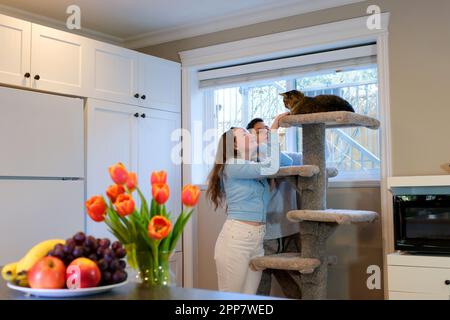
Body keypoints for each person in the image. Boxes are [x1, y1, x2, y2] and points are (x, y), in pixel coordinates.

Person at [206, 119, 291, 294]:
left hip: (257, 241)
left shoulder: (252, 164)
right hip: (237, 240)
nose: (250, 134)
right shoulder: (232, 165)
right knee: (231, 299)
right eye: (244, 133)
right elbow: (272, 167)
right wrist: (273, 131)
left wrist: (263, 145)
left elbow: (287, 162)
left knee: (249, 299)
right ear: (235, 146)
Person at [247, 115, 302, 299]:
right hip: (265, 235)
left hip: (288, 232)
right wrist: (274, 127)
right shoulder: (250, 161)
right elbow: (269, 161)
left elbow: (312, 156)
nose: (266, 133)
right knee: (260, 290)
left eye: (267, 130)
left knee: (297, 289)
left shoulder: (286, 156)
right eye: (260, 131)